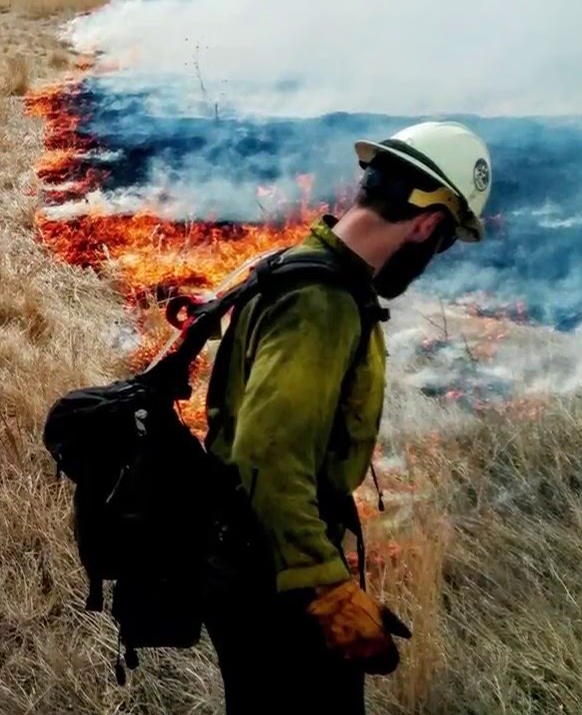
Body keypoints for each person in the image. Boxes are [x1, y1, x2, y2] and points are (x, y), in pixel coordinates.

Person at [201, 121, 494, 714]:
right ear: (429, 223)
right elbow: (268, 452)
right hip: (274, 571)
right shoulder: (323, 301)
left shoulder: (301, 263)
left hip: (254, 554)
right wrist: (327, 589)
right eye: (445, 241)